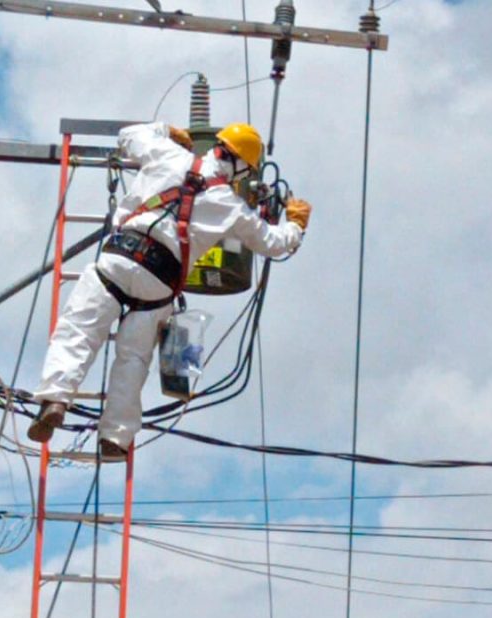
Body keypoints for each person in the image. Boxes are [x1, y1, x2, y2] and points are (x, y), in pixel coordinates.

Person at [27, 120, 312, 460]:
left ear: (217, 147)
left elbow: (128, 136)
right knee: (133, 358)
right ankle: (115, 438)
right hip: (158, 281)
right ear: (239, 166)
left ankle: (56, 398)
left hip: (119, 257)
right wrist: (295, 223)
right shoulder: (231, 205)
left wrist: (164, 129)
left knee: (78, 331)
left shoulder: (167, 153)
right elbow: (274, 243)